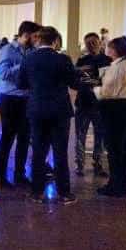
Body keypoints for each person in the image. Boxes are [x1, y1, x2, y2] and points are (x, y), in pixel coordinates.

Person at [25, 27, 84, 205]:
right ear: (55, 41)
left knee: (38, 152)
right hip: (59, 111)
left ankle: (36, 193)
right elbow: (74, 84)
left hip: (36, 110)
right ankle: (64, 193)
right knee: (60, 152)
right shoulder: (63, 59)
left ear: (38, 40)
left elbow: (21, 82)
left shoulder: (29, 58)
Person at [95, 36, 126, 197]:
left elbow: (107, 92)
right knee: (124, 148)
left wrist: (94, 87)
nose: (106, 48)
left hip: (115, 108)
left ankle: (115, 186)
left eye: (109, 46)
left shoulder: (117, 67)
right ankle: (121, 183)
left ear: (116, 50)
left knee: (114, 148)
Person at [0, 21, 39, 188]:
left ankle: (20, 175)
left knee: (24, 138)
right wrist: (24, 66)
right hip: (10, 99)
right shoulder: (7, 50)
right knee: (7, 138)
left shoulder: (33, 52)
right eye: (35, 36)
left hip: (27, 99)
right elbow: (3, 74)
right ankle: (0, 177)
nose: (37, 40)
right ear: (25, 35)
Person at [75, 32, 111, 177]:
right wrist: (94, 81)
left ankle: (99, 164)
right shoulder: (82, 60)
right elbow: (77, 80)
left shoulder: (107, 60)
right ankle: (80, 165)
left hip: (100, 104)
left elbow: (107, 82)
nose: (91, 45)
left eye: (94, 42)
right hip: (83, 102)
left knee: (100, 136)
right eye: (88, 43)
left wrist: (90, 81)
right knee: (80, 135)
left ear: (100, 43)